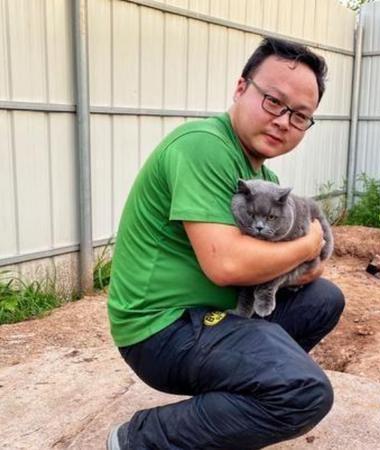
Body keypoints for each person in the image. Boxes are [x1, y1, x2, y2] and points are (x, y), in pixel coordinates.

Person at [106, 36, 345, 450]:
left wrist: (300, 260)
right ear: (240, 88)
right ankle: (140, 441)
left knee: (323, 298)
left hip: (214, 312)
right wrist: (308, 246)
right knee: (304, 391)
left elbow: (303, 273)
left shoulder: (266, 184)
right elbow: (228, 265)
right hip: (161, 326)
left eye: (300, 115)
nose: (283, 121)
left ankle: (226, 409)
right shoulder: (202, 145)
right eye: (273, 101)